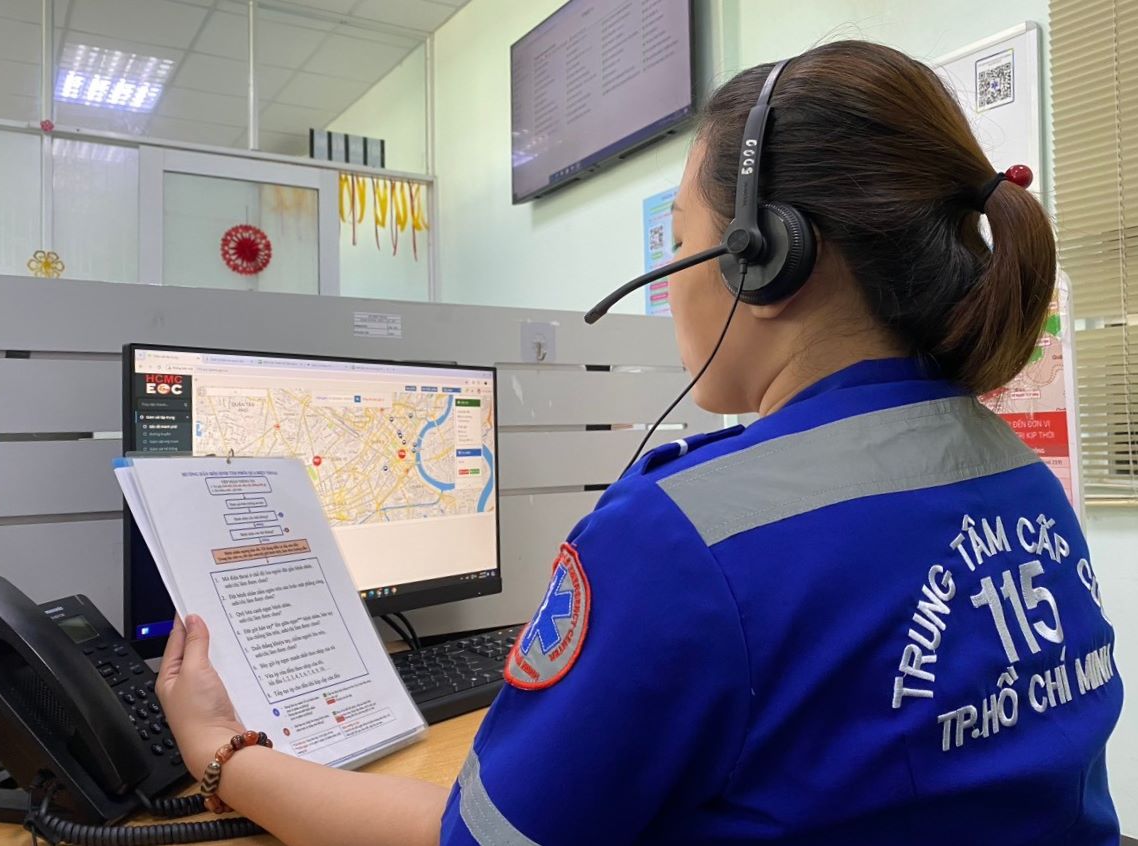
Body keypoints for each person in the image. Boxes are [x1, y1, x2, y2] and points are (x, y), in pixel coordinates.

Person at [156, 40, 1123, 845]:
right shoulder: (1014, 474)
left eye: (681, 233)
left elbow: (479, 839)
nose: (671, 274)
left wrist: (224, 754)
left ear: (765, 253)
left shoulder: (685, 538)